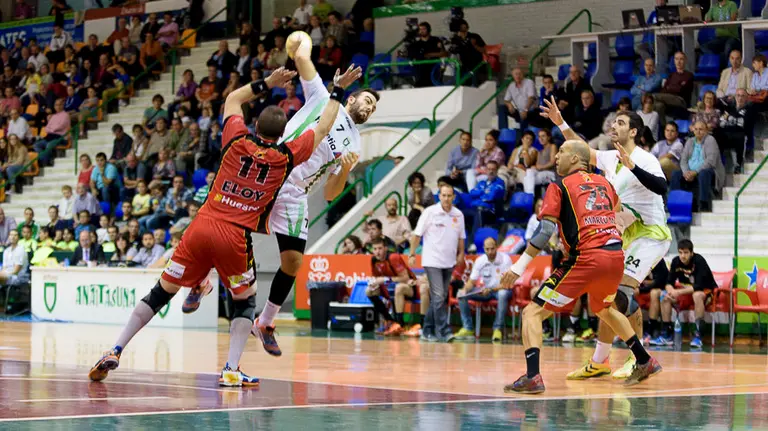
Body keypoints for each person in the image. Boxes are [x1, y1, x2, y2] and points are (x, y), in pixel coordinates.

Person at [90, 65, 361, 387]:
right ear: (284, 132)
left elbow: (233, 98)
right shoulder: (285, 158)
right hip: (234, 235)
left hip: (202, 225)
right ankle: (231, 368)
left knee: (159, 293)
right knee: (245, 301)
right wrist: (337, 92)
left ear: (254, 124)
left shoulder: (235, 140)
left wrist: (266, 83)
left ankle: (117, 347)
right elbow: (320, 130)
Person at [230, 35, 379, 357]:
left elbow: (329, 194)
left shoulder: (354, 145)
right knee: (226, 229)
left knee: (294, 261)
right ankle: (199, 280)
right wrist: (302, 44)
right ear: (350, 98)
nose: (369, 107)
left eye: (373, 107)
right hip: (270, 172)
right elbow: (302, 61)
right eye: (366, 100)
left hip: (296, 193)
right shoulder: (321, 96)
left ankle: (266, 322)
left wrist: (342, 172)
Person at [500, 139, 661, 394]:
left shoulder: (559, 186)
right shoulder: (605, 184)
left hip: (587, 259)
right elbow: (616, 213)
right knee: (604, 309)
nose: (556, 156)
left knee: (532, 313)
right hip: (614, 256)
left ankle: (533, 377)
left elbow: (544, 232)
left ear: (575, 158)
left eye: (561, 152)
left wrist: (517, 268)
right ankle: (644, 360)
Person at [541, 97, 671, 381]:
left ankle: (636, 359)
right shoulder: (611, 157)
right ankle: (600, 361)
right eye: (613, 122)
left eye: (621, 123)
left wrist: (633, 167)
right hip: (625, 232)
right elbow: (581, 149)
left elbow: (663, 187)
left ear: (634, 131)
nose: (615, 126)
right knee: (604, 297)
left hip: (650, 234)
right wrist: (560, 122)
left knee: (620, 297)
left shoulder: (645, 158)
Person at [408, 184, 465, 343]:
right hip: (432, 261)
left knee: (439, 299)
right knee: (439, 296)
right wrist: (412, 253)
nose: (446, 199)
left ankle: (426, 330)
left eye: (449, 195)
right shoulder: (430, 212)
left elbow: (461, 237)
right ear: (439, 196)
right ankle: (444, 331)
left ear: (454, 197)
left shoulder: (458, 215)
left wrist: (461, 254)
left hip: (449, 262)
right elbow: (417, 234)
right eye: (444, 195)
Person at [366, 238, 429, 337]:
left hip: (409, 288)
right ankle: (389, 320)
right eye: (375, 249)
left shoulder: (393, 257)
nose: (377, 252)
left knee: (398, 287)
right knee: (369, 291)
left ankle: (399, 324)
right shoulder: (374, 260)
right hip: (389, 288)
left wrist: (386, 279)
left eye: (380, 248)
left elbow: (405, 278)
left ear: (386, 248)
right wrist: (373, 283)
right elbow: (376, 278)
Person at [660, 239, 717, 348]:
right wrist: (671, 291)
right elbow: (668, 282)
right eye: (680, 252)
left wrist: (678, 291)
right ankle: (667, 334)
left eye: (686, 253)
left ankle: (698, 334)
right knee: (665, 297)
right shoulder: (676, 261)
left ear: (692, 253)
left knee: (697, 295)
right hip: (686, 292)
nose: (683, 256)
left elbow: (698, 286)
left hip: (706, 292)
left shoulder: (699, 261)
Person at [454, 237, 513, 343]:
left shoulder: (505, 259)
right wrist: (465, 289)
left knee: (502, 294)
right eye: (487, 249)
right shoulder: (480, 260)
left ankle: (497, 329)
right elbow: (472, 282)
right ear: (484, 249)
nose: (490, 252)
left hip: (501, 289)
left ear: (497, 247)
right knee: (461, 295)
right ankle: (468, 328)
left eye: (492, 249)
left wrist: (491, 289)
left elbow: (507, 284)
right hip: (485, 291)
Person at [671, 120, 725, 212]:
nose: (698, 131)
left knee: (704, 173)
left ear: (706, 131)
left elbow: (710, 161)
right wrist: (686, 173)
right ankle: (676, 203)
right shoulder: (690, 141)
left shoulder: (710, 140)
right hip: (690, 172)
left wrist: (695, 172)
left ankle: (703, 203)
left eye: (701, 129)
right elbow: (683, 160)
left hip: (709, 171)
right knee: (676, 174)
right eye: (696, 129)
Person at [523, 128, 557, 194]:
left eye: (543, 136)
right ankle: (530, 196)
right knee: (529, 171)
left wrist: (540, 167)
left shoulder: (552, 146)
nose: (541, 138)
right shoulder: (540, 151)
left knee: (528, 180)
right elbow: (538, 165)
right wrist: (534, 167)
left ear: (549, 137)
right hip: (541, 173)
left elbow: (553, 162)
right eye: (539, 136)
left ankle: (529, 196)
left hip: (551, 173)